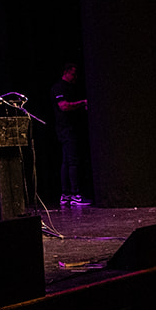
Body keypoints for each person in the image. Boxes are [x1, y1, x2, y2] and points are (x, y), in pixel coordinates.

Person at [51, 62, 89, 206]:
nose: (75, 77)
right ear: (65, 72)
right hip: (65, 129)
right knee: (72, 161)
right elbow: (64, 106)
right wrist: (83, 103)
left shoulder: (70, 88)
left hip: (68, 128)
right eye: (73, 74)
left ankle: (66, 194)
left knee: (67, 161)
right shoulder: (58, 87)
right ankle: (75, 194)